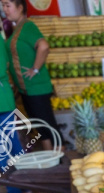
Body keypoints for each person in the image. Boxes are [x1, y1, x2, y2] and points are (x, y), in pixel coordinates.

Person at [2, 0, 59, 151]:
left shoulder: (28, 26)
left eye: (8, 5)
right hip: (26, 88)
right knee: (41, 127)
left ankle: (61, 160)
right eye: (3, 5)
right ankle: (50, 159)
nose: (4, 9)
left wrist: (35, 69)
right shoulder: (17, 28)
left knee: (47, 124)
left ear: (20, 8)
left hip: (36, 86)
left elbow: (44, 45)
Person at [0, 30, 23, 193]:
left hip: (2, 101)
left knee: (3, 149)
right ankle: (24, 184)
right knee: (13, 145)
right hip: (4, 99)